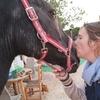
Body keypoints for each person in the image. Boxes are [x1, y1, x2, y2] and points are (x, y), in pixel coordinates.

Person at [53, 21, 100, 100]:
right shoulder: (90, 71)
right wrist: (66, 80)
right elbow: (83, 98)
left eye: (80, 38)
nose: (75, 42)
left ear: (94, 43)